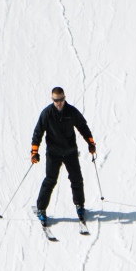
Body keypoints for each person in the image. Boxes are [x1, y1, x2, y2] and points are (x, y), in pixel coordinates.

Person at [30, 86, 96, 226]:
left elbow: (83, 127)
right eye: (56, 100)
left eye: (61, 99)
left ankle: (80, 206)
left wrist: (90, 143)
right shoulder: (47, 113)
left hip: (70, 152)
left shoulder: (71, 112)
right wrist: (34, 152)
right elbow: (38, 132)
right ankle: (41, 209)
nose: (59, 102)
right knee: (50, 180)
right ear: (52, 99)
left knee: (76, 179)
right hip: (54, 154)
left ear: (64, 98)